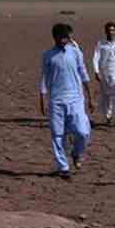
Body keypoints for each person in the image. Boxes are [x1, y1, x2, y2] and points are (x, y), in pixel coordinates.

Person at [39, 23, 93, 179]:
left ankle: (76, 153)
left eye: (68, 37)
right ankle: (63, 167)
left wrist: (90, 97)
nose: (67, 40)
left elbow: (83, 74)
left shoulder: (75, 52)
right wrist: (42, 98)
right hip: (56, 100)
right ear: (55, 37)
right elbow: (44, 78)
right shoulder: (48, 55)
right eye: (64, 37)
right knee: (57, 135)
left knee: (83, 132)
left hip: (76, 98)